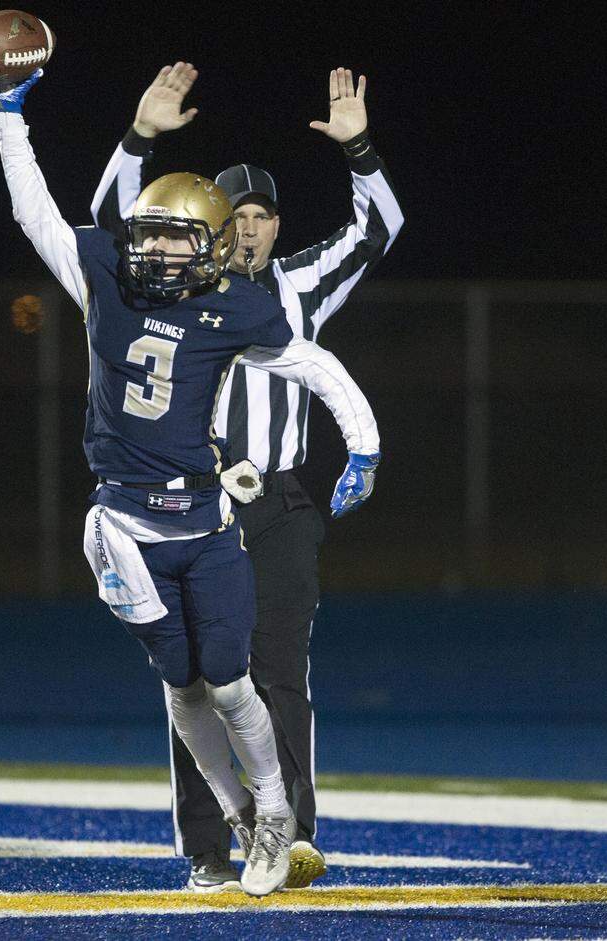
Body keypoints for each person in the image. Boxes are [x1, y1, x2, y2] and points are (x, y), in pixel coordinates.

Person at [0, 68, 381, 896]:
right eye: (149, 235)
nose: (158, 251)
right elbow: (39, 213)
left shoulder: (238, 305)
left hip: (210, 522)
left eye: (176, 238)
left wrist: (364, 447)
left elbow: (313, 362)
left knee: (238, 679)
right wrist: (10, 117)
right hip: (124, 528)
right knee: (183, 684)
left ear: (213, 245)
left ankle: (274, 814)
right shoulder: (106, 279)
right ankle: (230, 826)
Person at [90, 63, 403, 889]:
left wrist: (360, 149)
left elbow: (379, 231)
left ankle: (291, 830)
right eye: (242, 215)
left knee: (278, 672)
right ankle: (206, 845)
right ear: (212, 225)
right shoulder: (171, 289)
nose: (254, 229)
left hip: (283, 503)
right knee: (192, 675)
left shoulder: (297, 285)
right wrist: (138, 137)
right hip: (192, 503)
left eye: (266, 215)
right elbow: (106, 223)